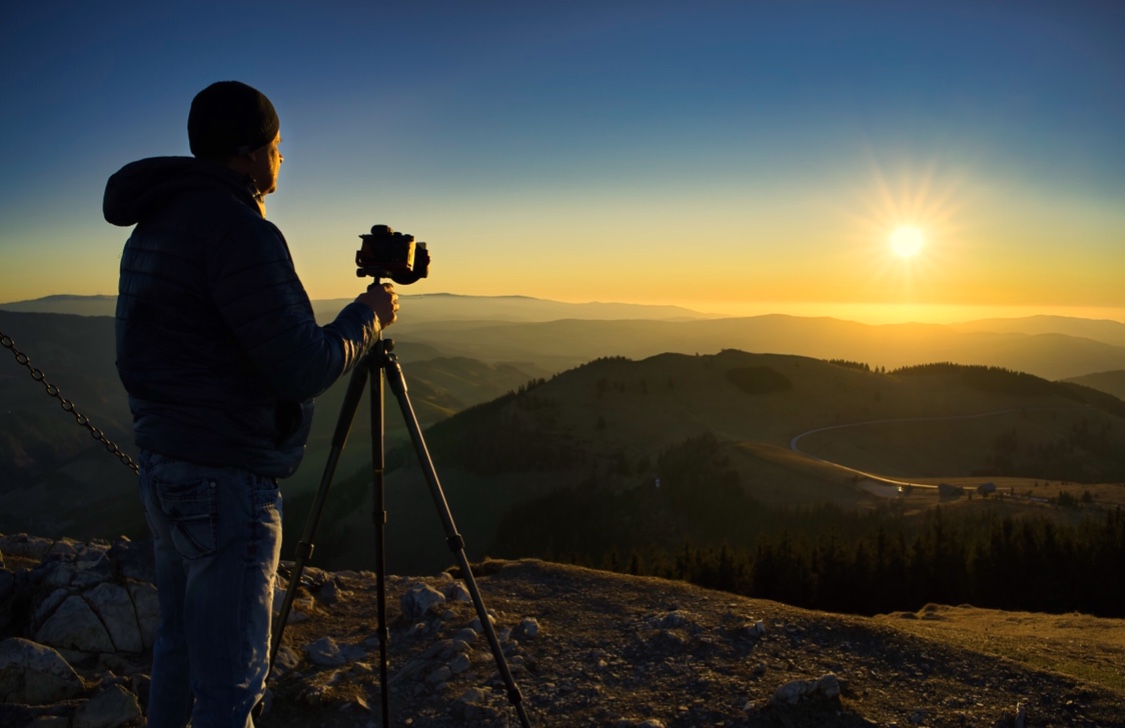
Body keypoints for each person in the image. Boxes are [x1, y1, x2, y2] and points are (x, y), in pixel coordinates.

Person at [103, 80, 397, 728]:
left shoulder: (157, 226)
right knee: (232, 686)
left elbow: (135, 356)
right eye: (277, 145)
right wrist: (366, 319)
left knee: (178, 653)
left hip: (165, 465)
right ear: (248, 153)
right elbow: (303, 365)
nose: (282, 158)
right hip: (223, 477)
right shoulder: (239, 231)